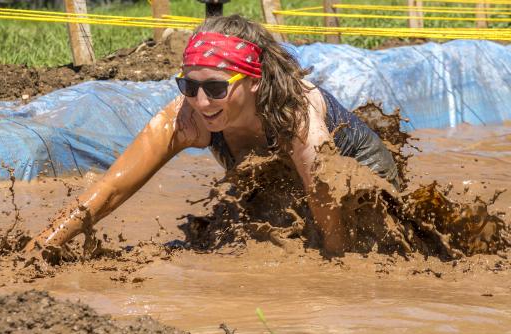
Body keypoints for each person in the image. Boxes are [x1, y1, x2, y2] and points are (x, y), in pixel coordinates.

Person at [24, 14, 399, 259]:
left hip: (355, 171)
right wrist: (44, 244)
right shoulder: (187, 114)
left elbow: (327, 201)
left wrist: (337, 269)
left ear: (253, 81)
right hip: (282, 183)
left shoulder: (298, 119)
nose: (201, 102)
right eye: (189, 84)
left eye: (217, 88)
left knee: (369, 245)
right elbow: (113, 187)